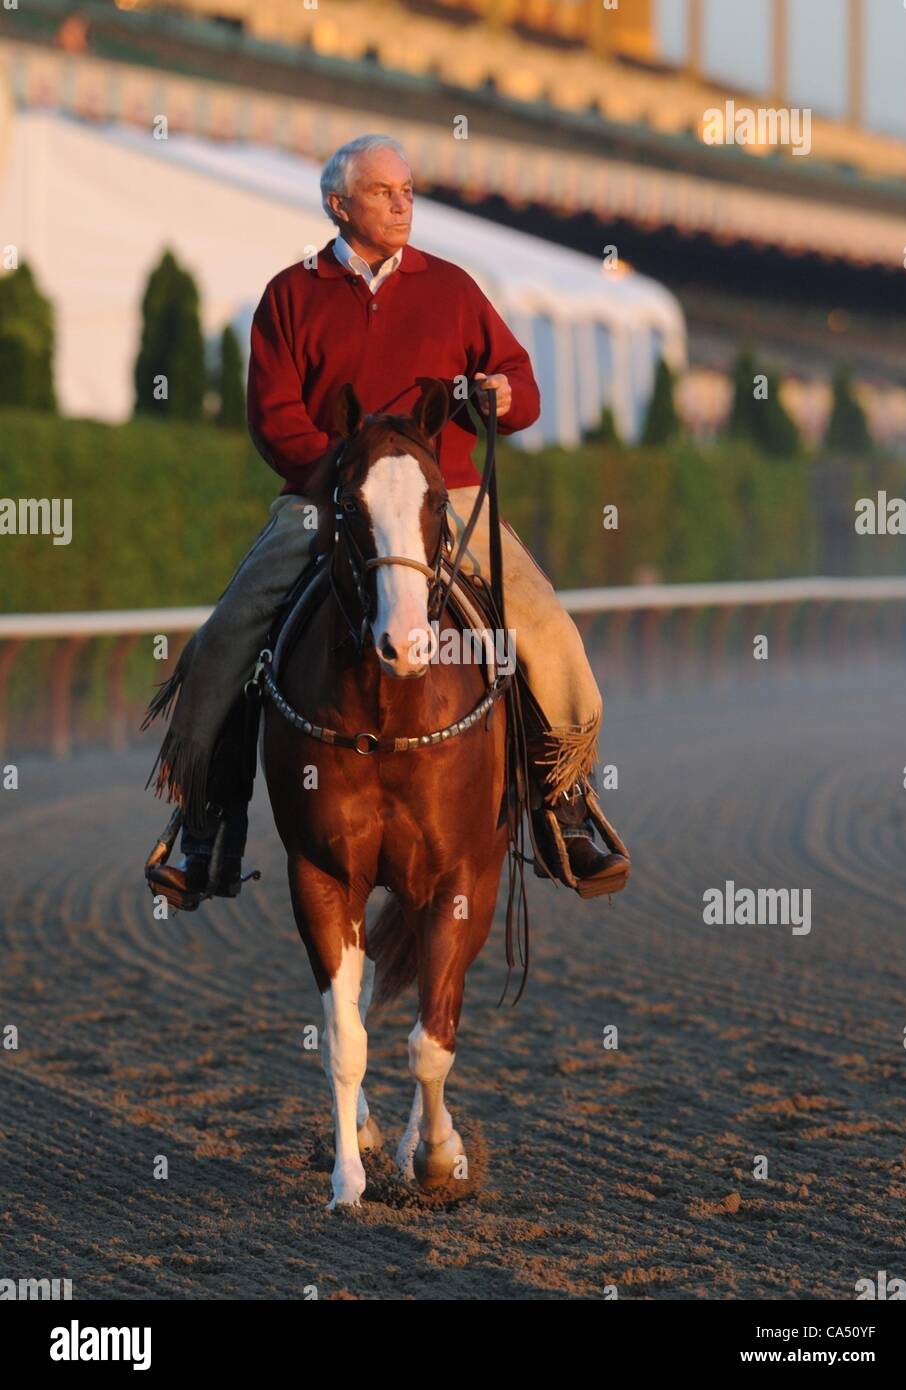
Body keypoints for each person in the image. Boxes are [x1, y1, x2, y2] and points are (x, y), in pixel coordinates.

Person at [144, 133, 628, 909]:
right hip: (326, 500)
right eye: (383, 191)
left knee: (546, 630)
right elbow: (273, 420)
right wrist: (350, 477)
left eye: (408, 189)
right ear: (339, 205)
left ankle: (562, 808)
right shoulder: (289, 294)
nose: (404, 203)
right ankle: (205, 824)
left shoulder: (454, 287)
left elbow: (520, 387)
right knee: (224, 636)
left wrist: (501, 396)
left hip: (449, 499)